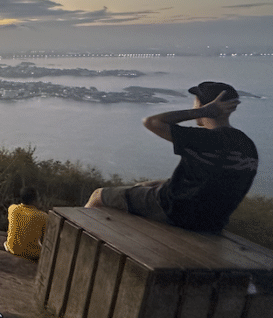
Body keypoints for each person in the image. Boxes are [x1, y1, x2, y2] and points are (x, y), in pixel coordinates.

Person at [85, 82, 258, 234]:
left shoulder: (204, 139)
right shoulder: (247, 145)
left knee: (99, 195)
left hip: (175, 211)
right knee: (144, 186)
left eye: (196, 101)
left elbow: (151, 122)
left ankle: (81, 232)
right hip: (212, 223)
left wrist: (202, 112)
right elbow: (212, 180)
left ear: (205, 105)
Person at [4, 187, 47, 261]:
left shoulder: (12, 209)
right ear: (35, 200)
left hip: (12, 249)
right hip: (32, 254)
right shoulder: (43, 216)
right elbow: (44, 239)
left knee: (6, 243)